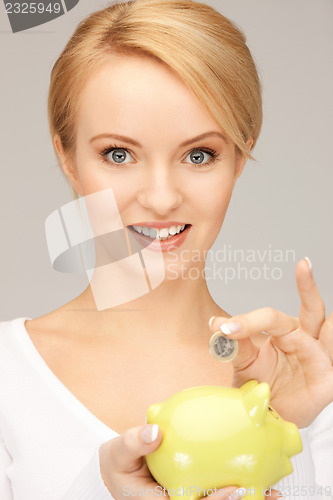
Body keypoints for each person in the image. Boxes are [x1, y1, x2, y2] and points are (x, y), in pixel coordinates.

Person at [0, 0, 332, 499]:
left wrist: (292, 434)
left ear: (239, 159)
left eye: (199, 155)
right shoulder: (7, 375)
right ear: (67, 157)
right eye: (119, 154)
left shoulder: (310, 384)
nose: (159, 198)